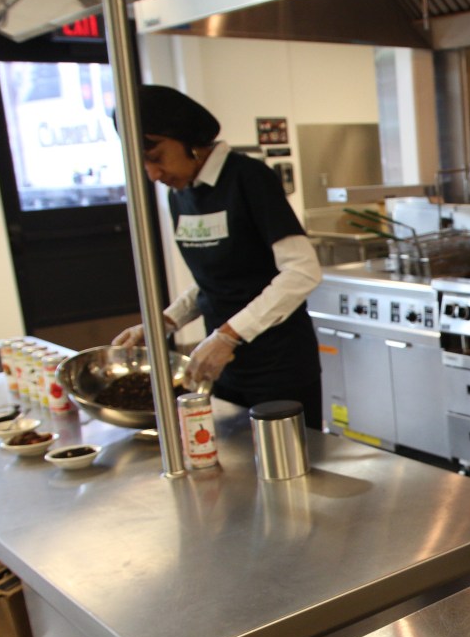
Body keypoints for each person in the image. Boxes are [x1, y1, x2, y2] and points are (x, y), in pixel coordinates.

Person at [112, 85, 323, 428]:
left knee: (289, 471)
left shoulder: (248, 179)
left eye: (155, 157)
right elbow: (217, 279)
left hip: (277, 367)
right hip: (219, 366)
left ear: (188, 140)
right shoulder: (181, 194)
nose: (152, 174)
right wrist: (166, 322)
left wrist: (228, 335)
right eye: (143, 163)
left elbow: (302, 271)